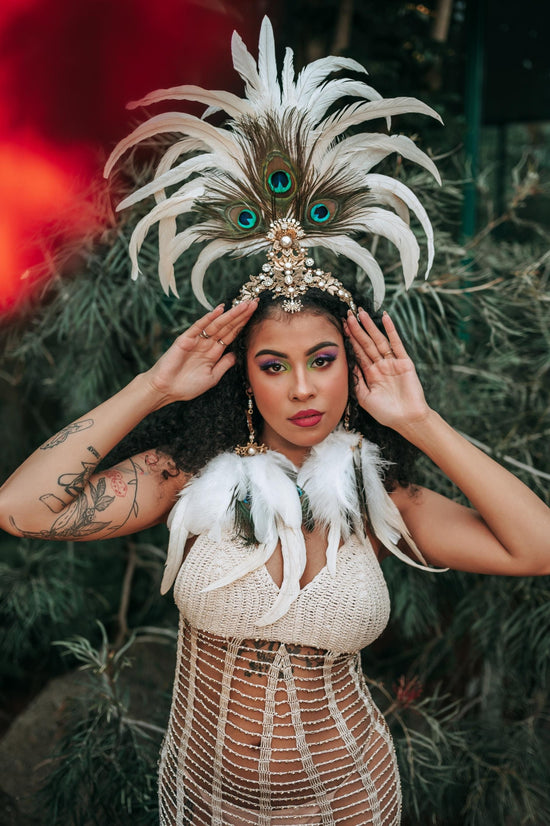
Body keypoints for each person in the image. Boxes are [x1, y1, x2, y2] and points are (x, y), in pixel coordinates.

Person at [1, 17, 550, 826]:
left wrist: (423, 422)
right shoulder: (182, 477)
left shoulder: (383, 503)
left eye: (323, 360)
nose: (303, 387)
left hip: (351, 800)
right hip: (205, 800)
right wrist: (152, 387)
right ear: (242, 378)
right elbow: (19, 508)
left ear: (352, 366)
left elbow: (537, 548)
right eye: (273, 364)